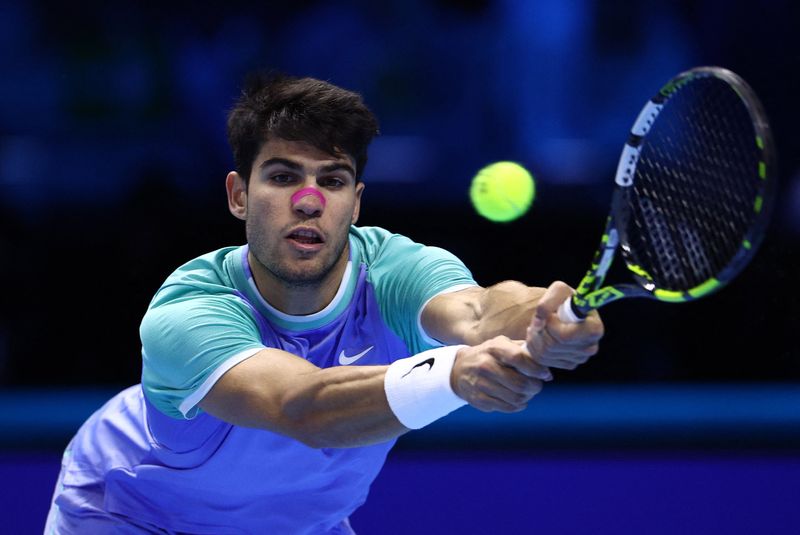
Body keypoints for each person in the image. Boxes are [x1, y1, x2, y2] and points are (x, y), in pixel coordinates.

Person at [45, 73, 603, 534]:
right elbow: (301, 407)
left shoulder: (394, 269)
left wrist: (542, 317)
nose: (309, 202)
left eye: (331, 181)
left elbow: (477, 313)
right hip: (131, 512)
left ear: (355, 203)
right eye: (284, 177)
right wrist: (452, 374)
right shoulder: (189, 310)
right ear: (239, 195)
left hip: (300, 524)